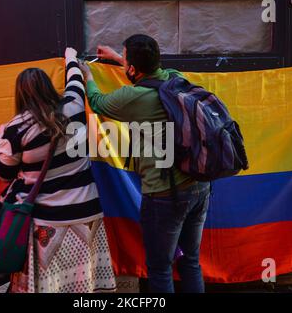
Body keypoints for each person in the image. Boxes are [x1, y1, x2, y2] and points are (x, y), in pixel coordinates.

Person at [79, 34, 211, 293]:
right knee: (191, 262)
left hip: (163, 196)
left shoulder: (133, 96)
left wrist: (88, 75)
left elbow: (97, 102)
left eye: (124, 57)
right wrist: (119, 59)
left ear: (131, 69)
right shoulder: (176, 78)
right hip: (199, 187)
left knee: (160, 268)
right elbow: (147, 73)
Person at [0, 47, 116, 293]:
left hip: (45, 221)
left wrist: (0, 141)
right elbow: (75, 81)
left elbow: (3, 174)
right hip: (87, 213)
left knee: (51, 284)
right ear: (49, 87)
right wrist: (71, 57)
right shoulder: (74, 106)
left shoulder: (16, 129)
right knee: (83, 282)